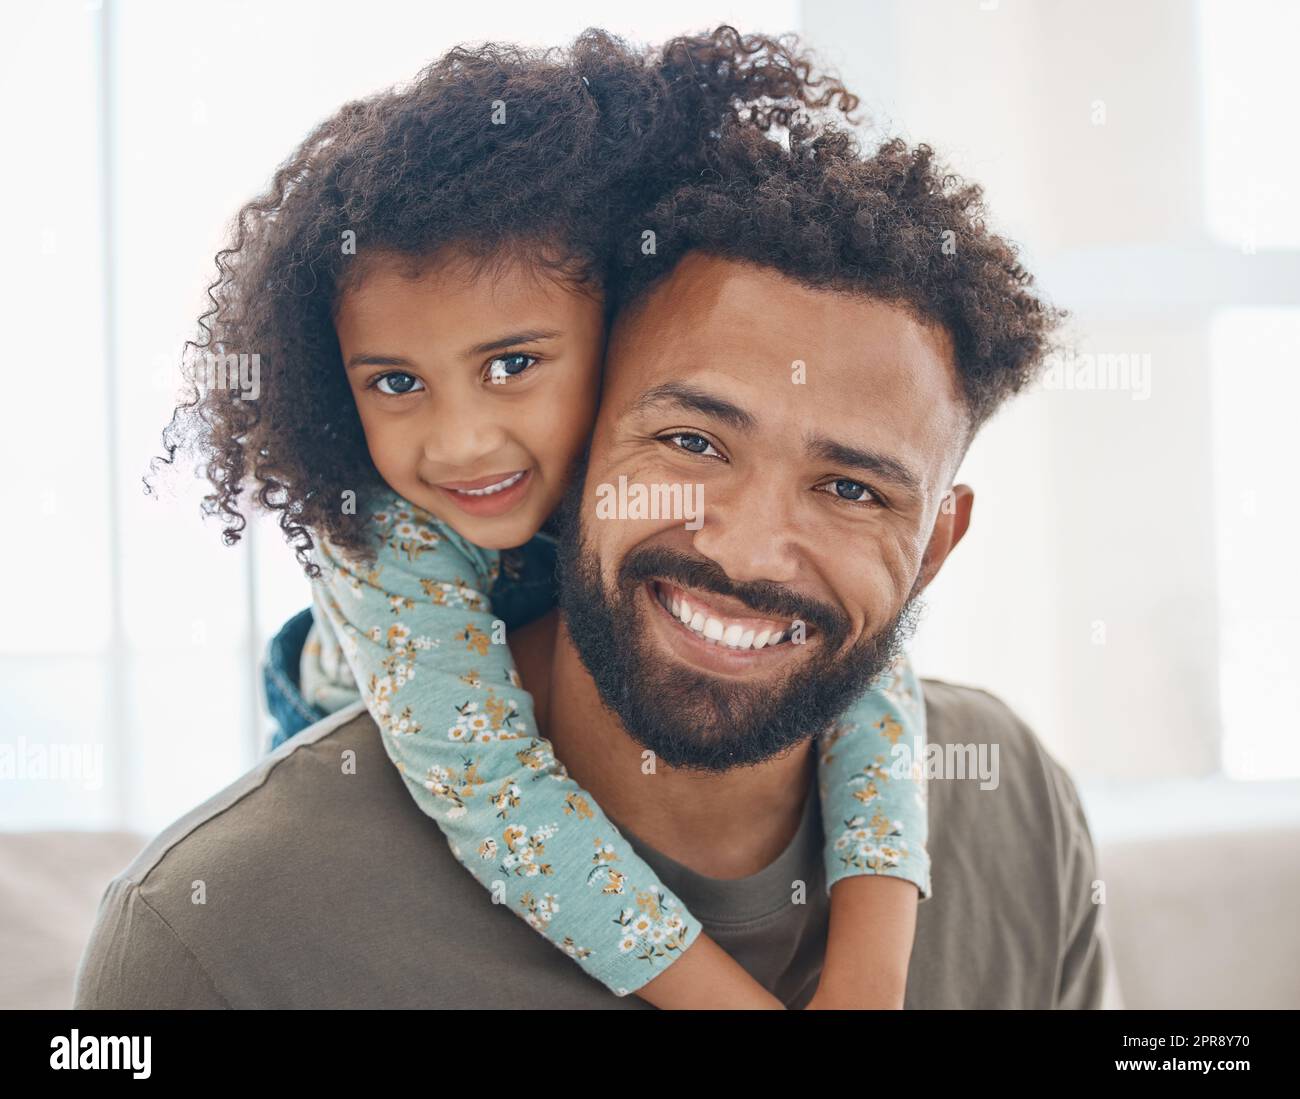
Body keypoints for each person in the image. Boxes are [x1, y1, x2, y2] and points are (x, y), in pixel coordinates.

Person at [75, 68, 1109, 1014]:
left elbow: (875, 675)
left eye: (850, 488)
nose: (753, 549)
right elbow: (494, 799)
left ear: (934, 543)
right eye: (692, 439)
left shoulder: (1017, 802)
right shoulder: (214, 935)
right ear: (602, 422)